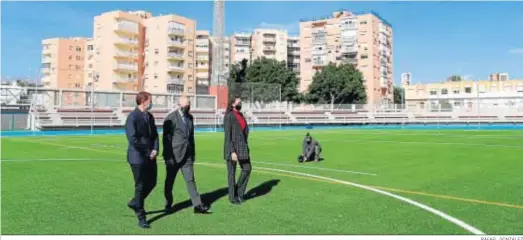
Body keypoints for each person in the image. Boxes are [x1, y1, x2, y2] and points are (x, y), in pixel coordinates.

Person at [162, 96, 210, 214]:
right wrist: (169, 157)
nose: (188, 107)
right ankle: (168, 203)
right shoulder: (171, 118)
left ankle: (197, 205)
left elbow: (191, 137)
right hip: (174, 156)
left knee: (190, 180)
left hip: (187, 156)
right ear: (179, 105)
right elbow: (166, 140)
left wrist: (192, 154)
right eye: (186, 105)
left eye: (189, 104)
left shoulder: (190, 118)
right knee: (169, 182)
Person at [125, 91, 159, 229]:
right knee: (140, 186)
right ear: (144, 101)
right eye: (150, 100)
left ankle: (135, 202)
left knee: (152, 183)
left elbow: (155, 135)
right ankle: (141, 216)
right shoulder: (132, 117)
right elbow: (133, 139)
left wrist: (156, 149)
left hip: (151, 156)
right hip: (137, 157)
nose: (151, 103)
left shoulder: (150, 116)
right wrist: (147, 151)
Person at [223, 96, 252, 205]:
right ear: (233, 104)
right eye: (239, 102)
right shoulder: (229, 116)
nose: (240, 103)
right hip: (233, 149)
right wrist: (232, 151)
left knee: (247, 169)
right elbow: (228, 136)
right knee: (232, 174)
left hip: (243, 147)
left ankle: (239, 192)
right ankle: (232, 197)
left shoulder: (241, 115)